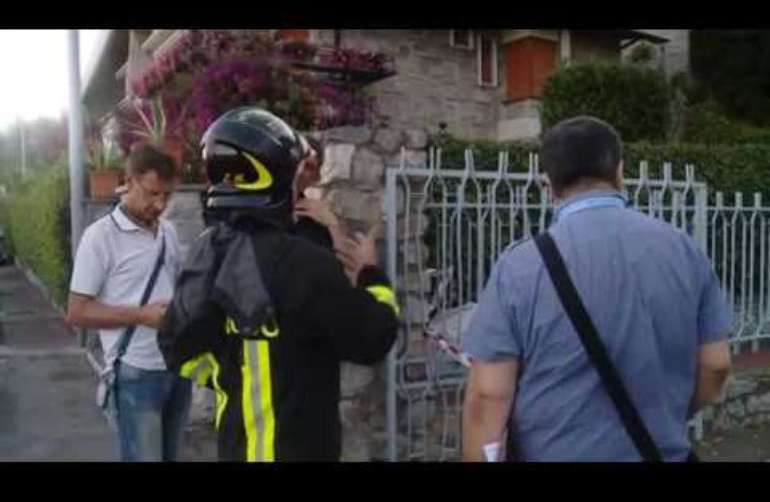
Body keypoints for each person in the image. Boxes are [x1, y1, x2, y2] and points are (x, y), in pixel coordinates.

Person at [461, 116, 732, 462]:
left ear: (547, 185)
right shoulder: (684, 250)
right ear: (619, 172)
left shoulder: (519, 268)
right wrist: (669, 415)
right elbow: (716, 365)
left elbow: (487, 396)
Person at [157, 107, 399, 462]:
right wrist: (371, 276)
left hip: (237, 449)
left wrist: (231, 375)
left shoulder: (207, 251)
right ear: (278, 177)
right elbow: (374, 337)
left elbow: (176, 346)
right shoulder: (306, 264)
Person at [66, 143, 191, 462]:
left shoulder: (169, 232)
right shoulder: (100, 237)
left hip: (178, 366)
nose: (160, 204)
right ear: (129, 180)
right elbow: (77, 311)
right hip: (136, 373)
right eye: (152, 194)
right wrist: (140, 315)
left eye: (167, 195)